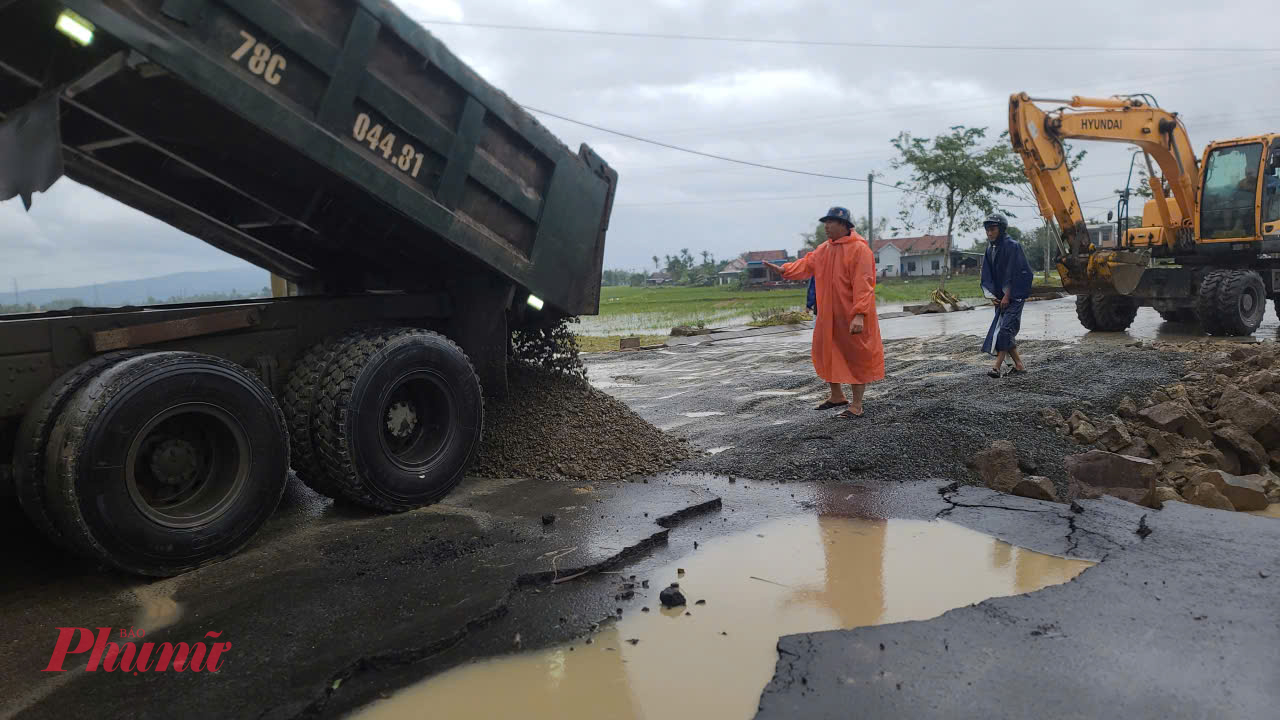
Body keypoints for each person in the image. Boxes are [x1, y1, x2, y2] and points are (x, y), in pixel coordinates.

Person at [763, 207, 884, 418]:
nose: (827, 226)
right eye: (825, 222)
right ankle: (837, 396)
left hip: (852, 315)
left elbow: (864, 284)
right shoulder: (824, 249)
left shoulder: (859, 250)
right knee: (826, 351)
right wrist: (784, 270)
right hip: (828, 315)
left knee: (856, 355)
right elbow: (806, 264)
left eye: (831, 222)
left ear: (844, 225)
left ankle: (856, 405)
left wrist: (859, 315)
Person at [980, 214, 1033, 378]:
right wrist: (993, 295)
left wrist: (1007, 295)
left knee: (1004, 330)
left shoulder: (1012, 246)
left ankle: (996, 367)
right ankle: (1019, 365)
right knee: (1006, 331)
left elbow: (1017, 272)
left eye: (993, 229)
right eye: (987, 230)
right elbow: (989, 274)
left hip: (1014, 296)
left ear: (1001, 229)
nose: (989, 233)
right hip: (1000, 297)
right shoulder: (990, 249)